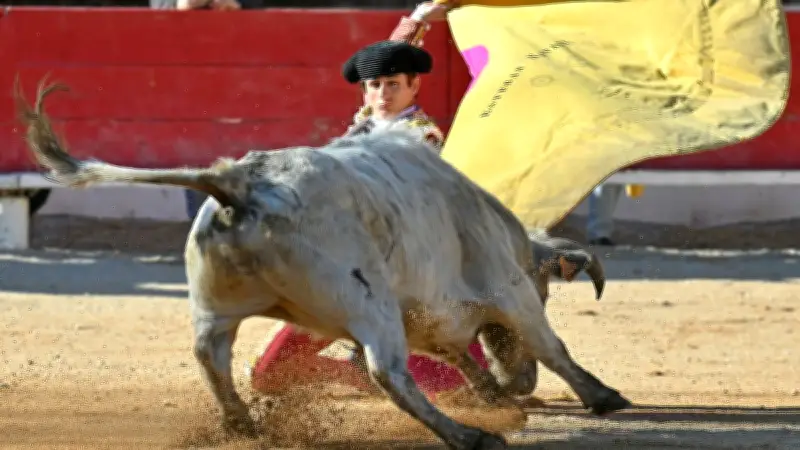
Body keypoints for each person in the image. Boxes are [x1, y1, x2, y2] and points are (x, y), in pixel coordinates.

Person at [247, 39, 490, 400]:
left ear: (414, 85)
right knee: (269, 374)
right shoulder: (360, 128)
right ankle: (362, 373)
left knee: (450, 389)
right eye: (375, 85)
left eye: (394, 84)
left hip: (401, 275)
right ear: (364, 91)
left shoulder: (420, 139)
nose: (384, 93)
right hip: (340, 269)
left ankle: (381, 368)